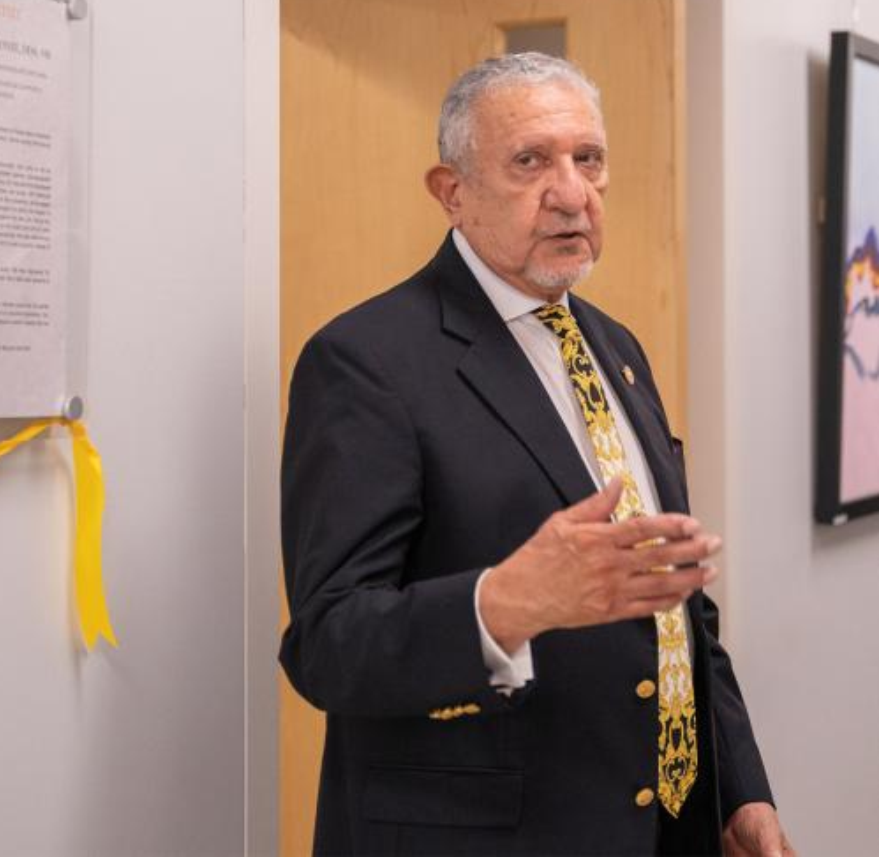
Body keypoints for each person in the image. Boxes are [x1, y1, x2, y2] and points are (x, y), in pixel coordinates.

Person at [280, 53, 794, 856]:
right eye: (529, 162)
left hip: (667, 823)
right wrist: (503, 605)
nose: (570, 191)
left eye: (587, 159)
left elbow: (676, 607)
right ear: (451, 192)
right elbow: (326, 645)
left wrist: (740, 787)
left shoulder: (614, 347)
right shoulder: (365, 360)